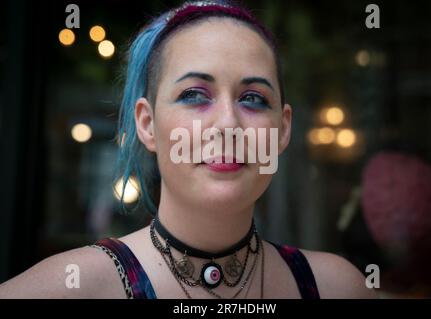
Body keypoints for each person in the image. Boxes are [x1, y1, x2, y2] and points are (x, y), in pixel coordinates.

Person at [0, 0, 376, 299]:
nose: (228, 123)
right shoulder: (71, 287)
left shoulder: (338, 288)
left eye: (253, 98)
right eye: (194, 95)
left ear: (283, 129)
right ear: (147, 124)